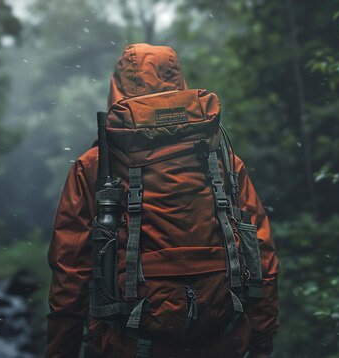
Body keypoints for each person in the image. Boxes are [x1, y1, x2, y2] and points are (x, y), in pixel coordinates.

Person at [46, 43, 279, 358]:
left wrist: (61, 349)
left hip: (129, 344)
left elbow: (70, 271)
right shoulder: (221, 159)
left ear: (117, 87)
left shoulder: (94, 166)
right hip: (221, 341)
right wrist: (262, 339)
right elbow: (260, 254)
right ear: (178, 82)